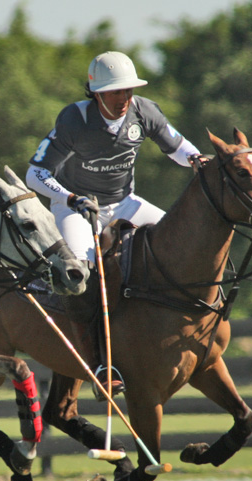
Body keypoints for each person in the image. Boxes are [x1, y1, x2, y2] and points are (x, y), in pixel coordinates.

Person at [25, 51, 208, 398]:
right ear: (96, 93)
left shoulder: (144, 111)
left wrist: (197, 159)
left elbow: (176, 145)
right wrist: (70, 199)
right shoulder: (74, 120)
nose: (123, 99)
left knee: (180, 242)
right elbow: (35, 173)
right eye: (115, 92)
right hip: (76, 208)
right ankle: (97, 361)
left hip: (124, 202)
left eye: (127, 91)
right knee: (80, 275)